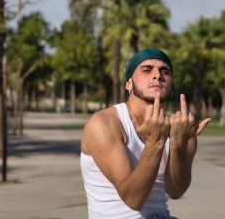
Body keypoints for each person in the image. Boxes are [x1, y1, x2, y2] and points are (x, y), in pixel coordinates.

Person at [80, 48, 211, 219]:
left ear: (171, 87)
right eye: (147, 70)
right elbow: (133, 199)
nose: (157, 75)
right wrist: (156, 141)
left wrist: (178, 145)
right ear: (129, 84)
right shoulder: (105, 124)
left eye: (165, 71)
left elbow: (176, 191)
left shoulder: (180, 128)